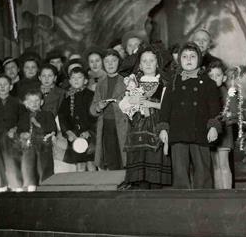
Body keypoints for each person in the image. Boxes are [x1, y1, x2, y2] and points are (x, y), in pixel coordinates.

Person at [158, 42, 222, 189]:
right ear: (179, 60)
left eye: (193, 56)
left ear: (199, 59)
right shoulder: (173, 82)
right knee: (179, 171)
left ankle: (204, 202)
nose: (188, 59)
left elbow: (214, 108)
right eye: (185, 56)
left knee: (203, 170)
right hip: (178, 132)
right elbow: (165, 107)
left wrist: (213, 127)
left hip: (200, 132)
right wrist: (163, 128)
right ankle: (182, 203)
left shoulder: (208, 83)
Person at [121, 44, 171, 189]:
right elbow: (126, 105)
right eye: (144, 61)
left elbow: (167, 106)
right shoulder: (134, 83)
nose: (148, 64)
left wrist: (150, 104)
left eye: (152, 60)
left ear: (157, 63)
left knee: (154, 160)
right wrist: (132, 102)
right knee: (139, 163)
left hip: (157, 124)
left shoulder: (163, 83)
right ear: (140, 65)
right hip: (137, 126)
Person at [90, 49, 128, 170]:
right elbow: (92, 109)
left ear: (119, 62)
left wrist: (123, 104)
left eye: (114, 61)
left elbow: (134, 105)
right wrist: (98, 107)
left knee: (125, 159)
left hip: (123, 126)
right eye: (107, 61)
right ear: (102, 64)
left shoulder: (126, 81)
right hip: (106, 125)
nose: (110, 64)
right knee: (111, 160)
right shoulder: (101, 84)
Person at [58, 66, 96, 172]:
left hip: (89, 136)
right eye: (73, 78)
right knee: (80, 164)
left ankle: (93, 186)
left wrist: (89, 131)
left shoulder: (91, 96)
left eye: (79, 77)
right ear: (69, 80)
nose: (76, 80)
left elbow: (96, 116)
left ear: (86, 80)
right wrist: (68, 132)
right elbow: (62, 116)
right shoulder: (67, 97)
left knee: (91, 162)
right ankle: (81, 187)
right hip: (74, 136)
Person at [17, 90, 57, 191]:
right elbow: (19, 131)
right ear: (26, 103)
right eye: (30, 101)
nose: (34, 104)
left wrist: (36, 123)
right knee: (29, 171)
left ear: (42, 102)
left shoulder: (47, 114)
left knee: (44, 171)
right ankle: (30, 190)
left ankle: (45, 190)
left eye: (37, 100)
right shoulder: (23, 116)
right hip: (28, 148)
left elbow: (52, 129)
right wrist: (22, 134)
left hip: (43, 147)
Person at [207, 62, 237, 189]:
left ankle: (227, 193)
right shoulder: (208, 93)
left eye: (218, 75)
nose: (214, 79)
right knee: (215, 165)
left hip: (224, 134)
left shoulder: (228, 93)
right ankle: (219, 194)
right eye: (211, 76)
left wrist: (223, 121)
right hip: (212, 134)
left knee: (224, 164)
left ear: (224, 78)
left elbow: (234, 115)